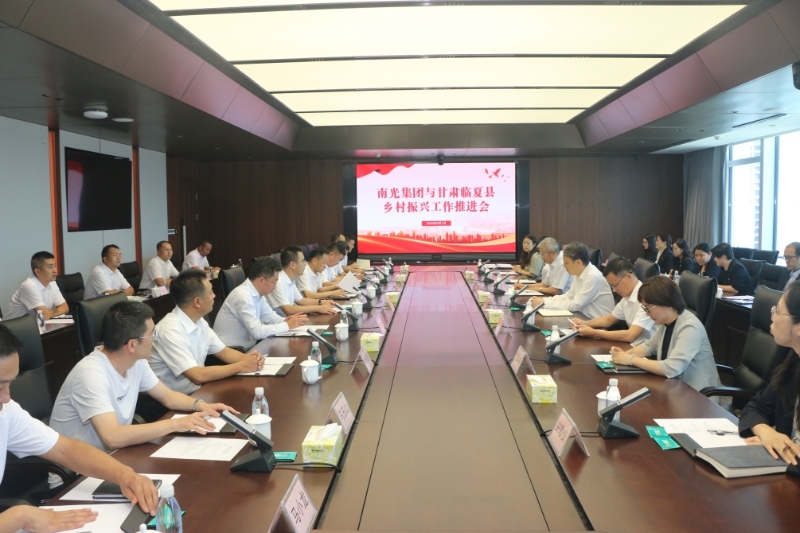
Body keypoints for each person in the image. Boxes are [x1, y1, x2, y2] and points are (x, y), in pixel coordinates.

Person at [0, 324, 159, 531]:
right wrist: (21, 516)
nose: (6, 397)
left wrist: (125, 475)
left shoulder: (7, 411)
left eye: (10, 384)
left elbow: (65, 449)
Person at [50, 302, 236, 453]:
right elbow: (112, 437)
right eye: (151, 334)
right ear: (132, 344)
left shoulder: (136, 362)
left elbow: (168, 396)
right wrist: (175, 424)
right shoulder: (91, 375)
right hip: (77, 474)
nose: (154, 338)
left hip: (114, 456)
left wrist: (201, 406)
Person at [149, 270, 264, 395]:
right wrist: (241, 366)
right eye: (211, 292)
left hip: (198, 392)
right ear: (197, 302)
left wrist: (252, 360)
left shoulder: (199, 321)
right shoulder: (169, 330)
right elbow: (197, 375)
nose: (214, 296)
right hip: (172, 400)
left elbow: (224, 352)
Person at [610, 276, 720, 393]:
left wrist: (631, 359)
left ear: (668, 303)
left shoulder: (690, 327)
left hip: (698, 395)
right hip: (674, 387)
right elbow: (649, 346)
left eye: (648, 308)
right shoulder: (665, 323)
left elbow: (672, 368)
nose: (647, 314)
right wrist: (623, 355)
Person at [738, 282, 800, 465]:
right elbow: (755, 407)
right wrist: (767, 434)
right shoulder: (794, 361)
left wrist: (784, 450)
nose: (771, 317)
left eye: (777, 311)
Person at [213, 256, 308, 350]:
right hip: (233, 351)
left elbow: (270, 318)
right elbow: (257, 332)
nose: (275, 287)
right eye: (274, 282)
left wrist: (287, 320)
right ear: (261, 280)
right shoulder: (243, 297)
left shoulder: (257, 294)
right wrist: (287, 325)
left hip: (249, 348)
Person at [572, 257, 657, 345]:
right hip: (635, 346)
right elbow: (608, 320)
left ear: (628, 276)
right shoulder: (627, 296)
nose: (614, 290)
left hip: (648, 350)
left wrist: (593, 332)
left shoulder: (647, 297)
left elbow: (631, 335)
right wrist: (585, 323)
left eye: (615, 285)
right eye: (612, 286)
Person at [528, 242, 614, 320]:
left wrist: (544, 303)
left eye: (566, 263)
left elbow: (575, 305)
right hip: (582, 317)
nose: (564, 266)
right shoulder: (579, 272)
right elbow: (568, 297)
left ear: (578, 262)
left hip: (596, 323)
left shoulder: (593, 276)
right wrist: (544, 300)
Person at [266, 247, 338, 316]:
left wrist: (322, 302)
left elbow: (301, 300)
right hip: (278, 322)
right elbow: (288, 310)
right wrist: (317, 308)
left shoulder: (290, 279)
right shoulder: (278, 282)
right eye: (303, 261)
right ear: (293, 265)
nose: (305, 264)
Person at [4, 252, 68, 320]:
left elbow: (65, 307)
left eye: (55, 266)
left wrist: (51, 313)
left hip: (35, 324)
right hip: (11, 326)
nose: (55, 270)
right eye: (50, 267)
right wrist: (51, 313)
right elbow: (44, 315)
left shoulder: (52, 283)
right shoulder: (29, 285)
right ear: (38, 272)